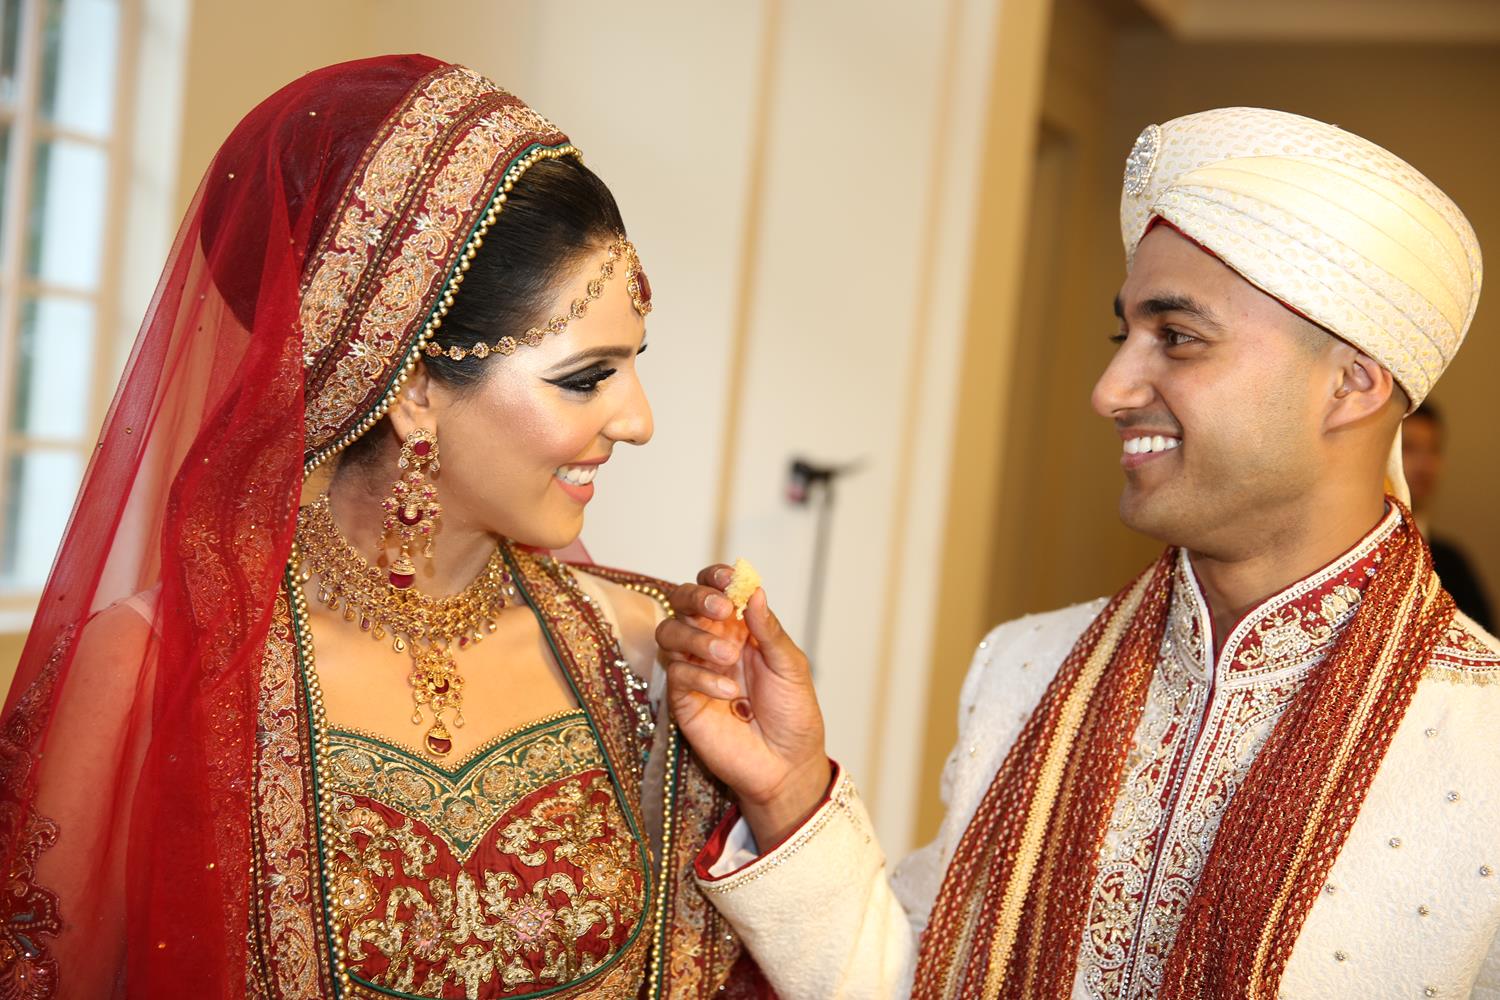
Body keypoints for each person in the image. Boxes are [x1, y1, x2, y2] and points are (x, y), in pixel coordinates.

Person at [659, 107, 1500, 998]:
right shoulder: (1026, 668)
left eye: (1176, 338)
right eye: (1122, 335)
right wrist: (788, 790)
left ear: (1354, 384)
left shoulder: (1480, 740)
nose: (1110, 390)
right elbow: (920, 978)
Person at [0, 55, 767, 999]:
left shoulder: (650, 653)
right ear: (411, 389)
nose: (639, 420)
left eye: (633, 366)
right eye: (585, 376)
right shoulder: (155, 670)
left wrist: (790, 787)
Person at [1403, 402, 1495, 631]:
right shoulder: (1360, 557)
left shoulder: (1453, 563)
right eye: (1409, 448)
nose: (1425, 465)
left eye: (1433, 449)